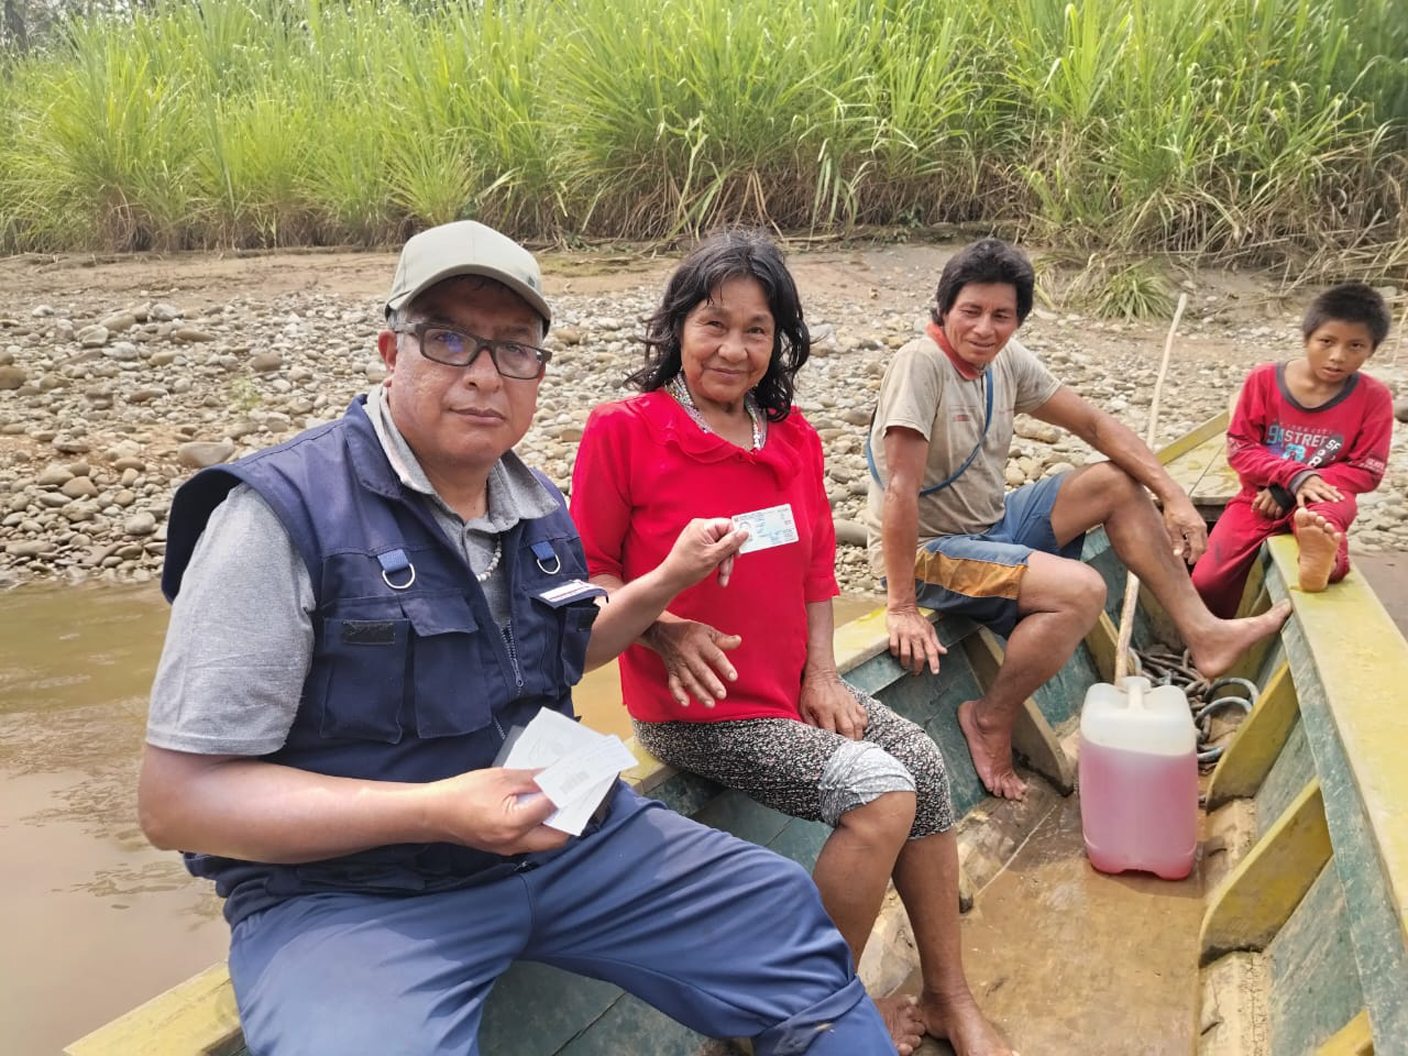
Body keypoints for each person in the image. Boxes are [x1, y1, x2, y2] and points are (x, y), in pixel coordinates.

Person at [137, 221, 895, 1055]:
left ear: (539, 370)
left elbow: (565, 651)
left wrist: (663, 584)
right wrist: (436, 809)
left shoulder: (534, 506)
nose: (483, 376)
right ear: (392, 351)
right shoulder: (278, 517)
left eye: (514, 349)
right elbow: (178, 802)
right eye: (449, 340)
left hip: (562, 840)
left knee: (781, 914)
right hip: (354, 897)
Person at [571, 230, 1013, 1056]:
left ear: (780, 340)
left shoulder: (791, 436)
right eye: (713, 325)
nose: (734, 349)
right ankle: (815, 1010)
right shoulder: (624, 430)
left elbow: (817, 564)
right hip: (700, 713)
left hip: (788, 694)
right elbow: (588, 575)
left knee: (919, 760)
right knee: (881, 790)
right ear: (677, 328)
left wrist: (823, 672)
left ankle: (949, 995)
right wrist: (661, 628)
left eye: (756, 329)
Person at [865, 238, 1291, 801]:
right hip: (930, 553)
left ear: (1018, 320)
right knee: (1082, 590)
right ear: (944, 308)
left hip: (992, 528)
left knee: (1114, 481)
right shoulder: (921, 365)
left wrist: (1172, 495)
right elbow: (899, 489)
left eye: (1002, 316)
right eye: (971, 311)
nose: (985, 329)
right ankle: (990, 716)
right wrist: (900, 606)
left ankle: (1204, 632)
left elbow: (1093, 425)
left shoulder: (1003, 362)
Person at [1191, 283, 1393, 617]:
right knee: (1207, 580)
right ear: (1307, 338)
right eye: (1327, 342)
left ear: (1371, 351)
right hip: (1258, 499)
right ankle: (1216, 632)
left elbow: (1367, 470)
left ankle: (1323, 565)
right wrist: (1292, 477)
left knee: (1324, 523)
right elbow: (1240, 449)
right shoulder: (1265, 380)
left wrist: (1299, 487)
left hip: (1324, 496)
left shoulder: (1374, 397)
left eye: (1355, 346)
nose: (1338, 356)